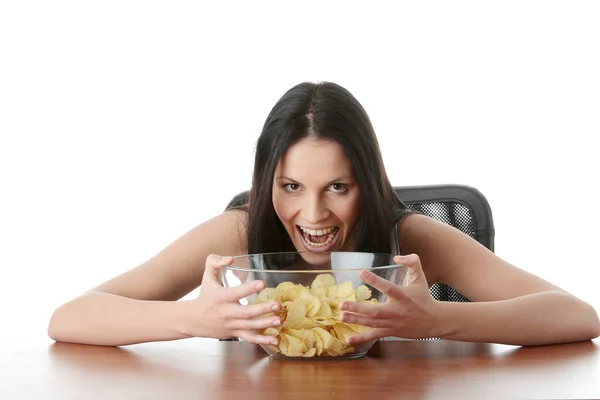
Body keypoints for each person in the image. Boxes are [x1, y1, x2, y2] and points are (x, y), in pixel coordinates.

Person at [47, 81, 600, 347]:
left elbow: (578, 316)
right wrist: (193, 320)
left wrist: (439, 320)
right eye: (290, 186)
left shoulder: (411, 238)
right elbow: (69, 318)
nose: (313, 213)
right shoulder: (240, 231)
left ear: (370, 182)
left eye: (338, 186)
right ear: (267, 184)